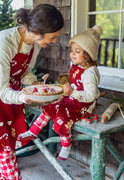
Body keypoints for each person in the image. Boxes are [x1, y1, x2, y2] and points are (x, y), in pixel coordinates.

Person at [0, 4, 64, 180]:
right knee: (4, 149)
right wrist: (25, 96)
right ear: (37, 31)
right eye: (53, 36)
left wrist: (34, 83)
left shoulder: (34, 44)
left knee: (8, 148)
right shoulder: (4, 44)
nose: (55, 41)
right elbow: (2, 90)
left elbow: (24, 73)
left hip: (11, 94)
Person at [18, 25, 102, 160]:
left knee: (62, 116)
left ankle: (66, 144)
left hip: (84, 105)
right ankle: (32, 132)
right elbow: (75, 84)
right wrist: (68, 88)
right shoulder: (77, 66)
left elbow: (91, 96)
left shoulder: (90, 73)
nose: (72, 54)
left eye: (77, 51)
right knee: (49, 108)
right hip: (73, 99)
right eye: (72, 50)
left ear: (88, 54)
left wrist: (73, 92)